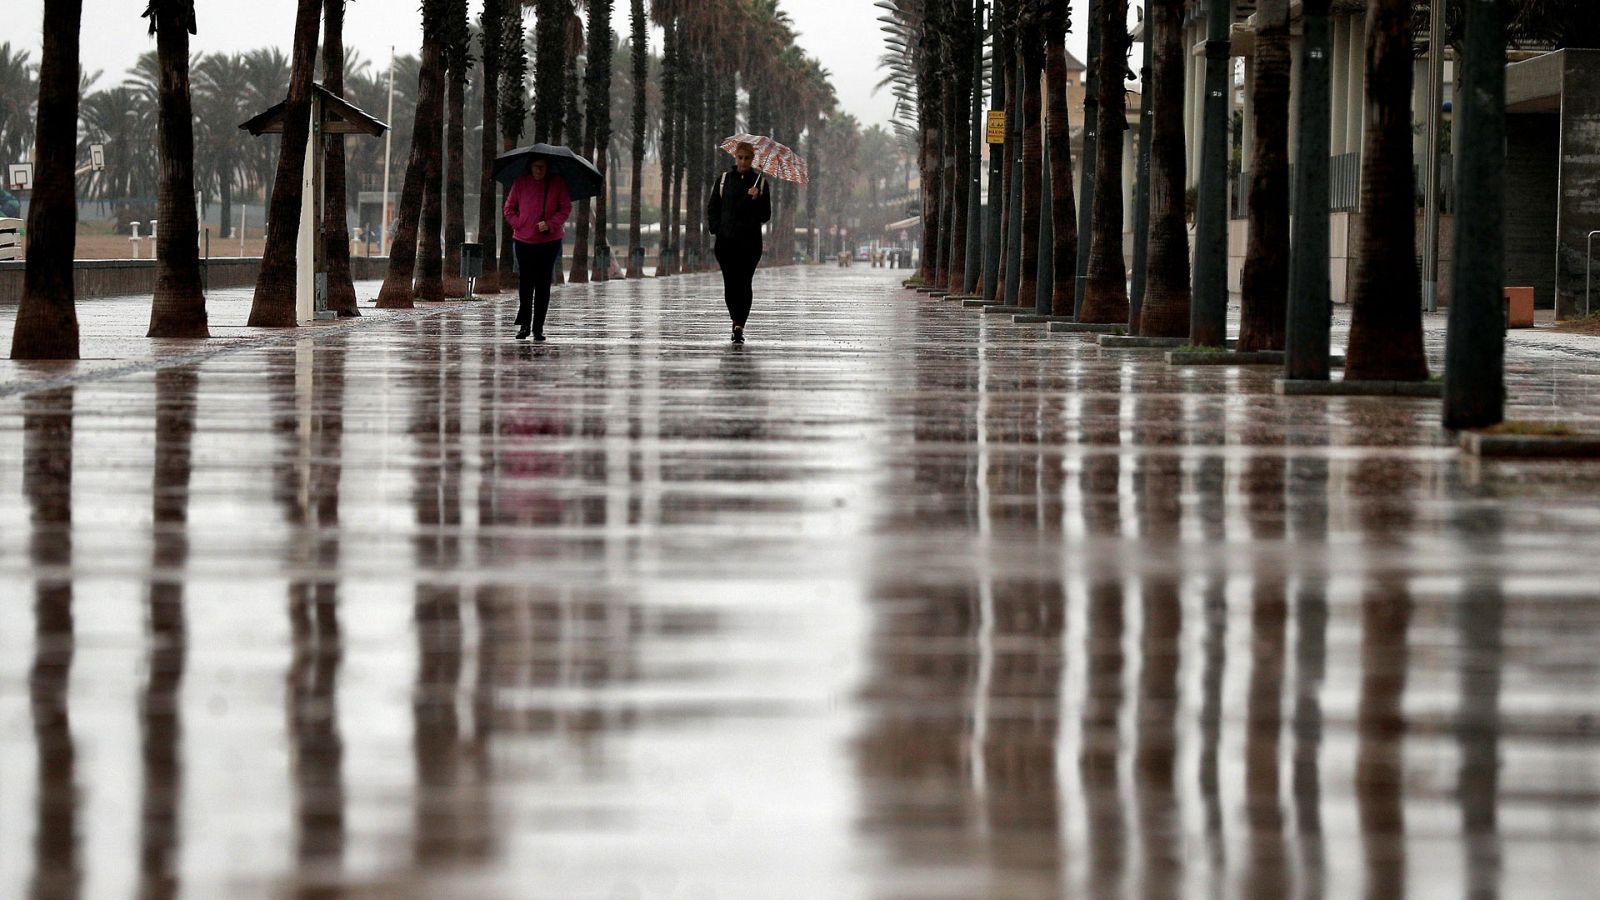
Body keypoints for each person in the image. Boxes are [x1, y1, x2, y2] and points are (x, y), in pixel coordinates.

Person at [707, 142, 772, 344]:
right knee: (730, 284)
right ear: (735, 158)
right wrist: (717, 228)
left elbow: (765, 215)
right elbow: (713, 208)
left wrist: (757, 198)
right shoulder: (724, 180)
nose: (743, 162)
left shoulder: (760, 183)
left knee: (744, 283)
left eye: (747, 158)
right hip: (726, 244)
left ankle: (739, 325)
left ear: (752, 160)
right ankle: (735, 317)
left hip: (750, 244)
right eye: (740, 158)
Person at [503, 158, 572, 341]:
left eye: (543, 166)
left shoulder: (557, 183)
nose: (539, 170)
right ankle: (524, 325)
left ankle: (538, 327)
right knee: (526, 284)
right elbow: (509, 209)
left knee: (543, 285)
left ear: (548, 168)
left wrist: (550, 224)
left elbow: (565, 208)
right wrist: (520, 224)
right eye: (536, 166)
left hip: (549, 242)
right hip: (523, 241)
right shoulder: (520, 183)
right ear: (530, 166)